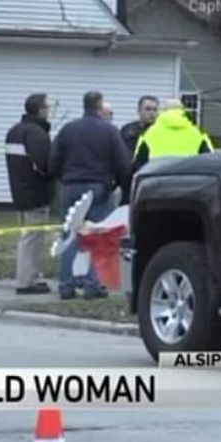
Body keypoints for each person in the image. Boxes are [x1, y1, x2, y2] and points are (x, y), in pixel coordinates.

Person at [50, 91, 131, 300]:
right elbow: (123, 163)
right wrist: (120, 187)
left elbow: (54, 160)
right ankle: (92, 284)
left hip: (70, 186)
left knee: (70, 235)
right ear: (99, 106)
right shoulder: (109, 131)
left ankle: (66, 285)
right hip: (98, 186)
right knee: (97, 236)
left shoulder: (68, 130)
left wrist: (64, 178)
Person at [4, 93, 55, 295]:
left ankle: (31, 276)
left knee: (26, 236)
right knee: (33, 238)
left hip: (19, 190)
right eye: (47, 107)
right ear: (40, 110)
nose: (49, 110)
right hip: (36, 192)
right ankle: (26, 281)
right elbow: (45, 163)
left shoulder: (14, 131)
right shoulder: (36, 134)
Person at [134, 105, 214, 171]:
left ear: (162, 112)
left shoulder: (149, 134)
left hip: (157, 185)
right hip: (191, 185)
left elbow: (138, 166)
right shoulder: (199, 134)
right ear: (183, 112)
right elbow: (211, 162)